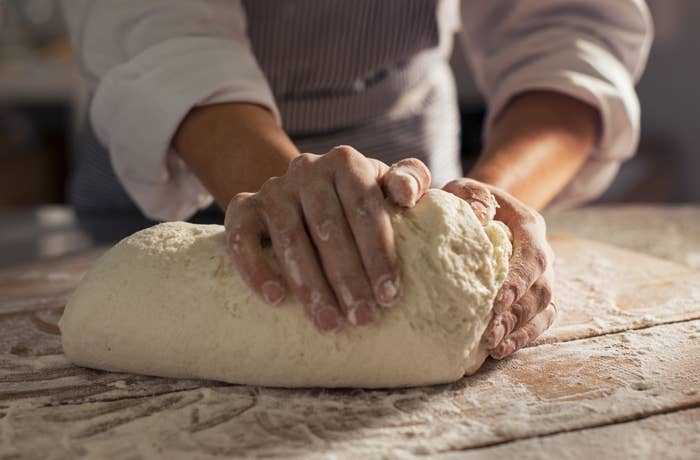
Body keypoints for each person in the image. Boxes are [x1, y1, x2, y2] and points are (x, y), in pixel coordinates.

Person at [61, 1, 652, 360]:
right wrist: (297, 208)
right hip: (169, 157)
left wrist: (490, 205)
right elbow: (158, 30)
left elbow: (569, 27)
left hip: (414, 179)